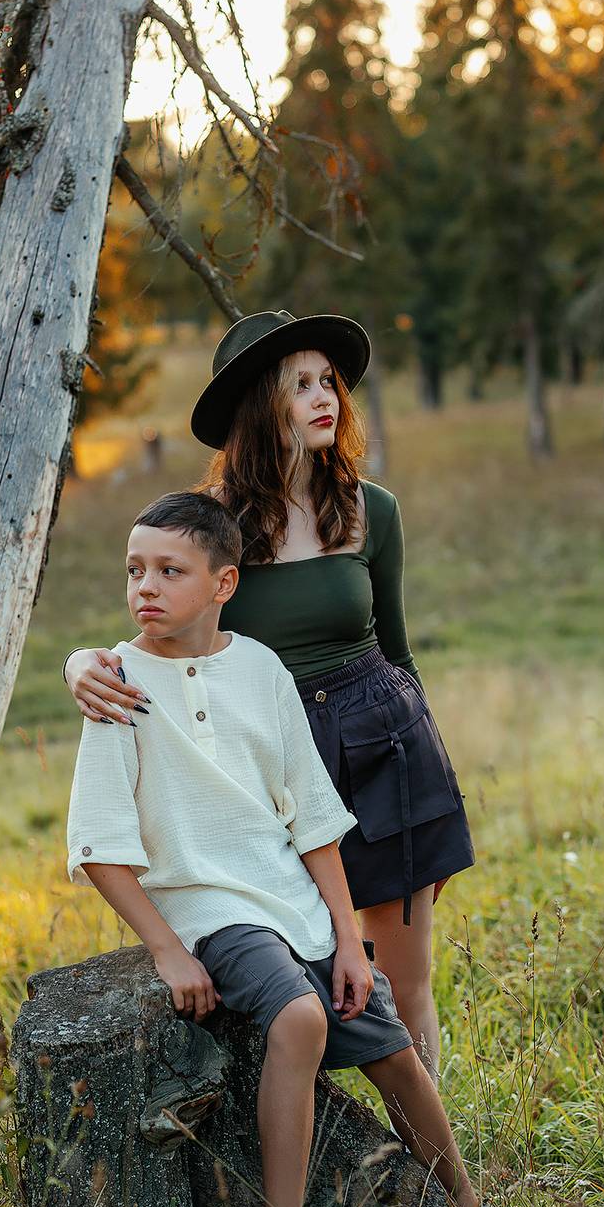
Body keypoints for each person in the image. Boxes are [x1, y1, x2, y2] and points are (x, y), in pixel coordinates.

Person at [65, 490, 483, 1207]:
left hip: (291, 897)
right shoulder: (116, 687)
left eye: (169, 571)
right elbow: (99, 846)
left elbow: (314, 819)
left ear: (224, 584)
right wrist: (167, 951)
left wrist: (346, 940)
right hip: (209, 907)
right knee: (298, 1017)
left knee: (394, 1049)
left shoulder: (260, 669)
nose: (145, 588)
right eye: (135, 570)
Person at [62, 310, 475, 1081]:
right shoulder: (216, 524)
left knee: (398, 982)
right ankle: (310, 1135)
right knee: (297, 967)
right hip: (271, 765)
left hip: (386, 748)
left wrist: (432, 784)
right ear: (260, 405)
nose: (326, 399)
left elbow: (397, 649)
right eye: (301, 385)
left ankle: (423, 1148)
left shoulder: (372, 509)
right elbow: (161, 621)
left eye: (329, 383)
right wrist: (80, 662)